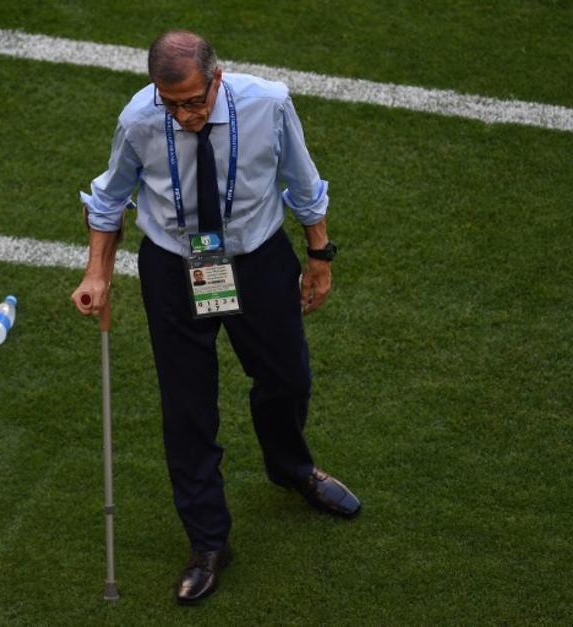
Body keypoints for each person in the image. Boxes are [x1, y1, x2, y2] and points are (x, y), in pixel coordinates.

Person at [71, 29, 360, 605]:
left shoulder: (269, 103)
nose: (184, 116)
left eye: (195, 101)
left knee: (286, 377)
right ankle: (208, 541)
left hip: (256, 257)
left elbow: (302, 182)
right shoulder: (139, 118)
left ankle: (291, 467)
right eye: (171, 103)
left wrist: (320, 256)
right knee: (187, 408)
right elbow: (109, 198)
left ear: (217, 77)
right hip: (176, 268)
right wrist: (97, 272)